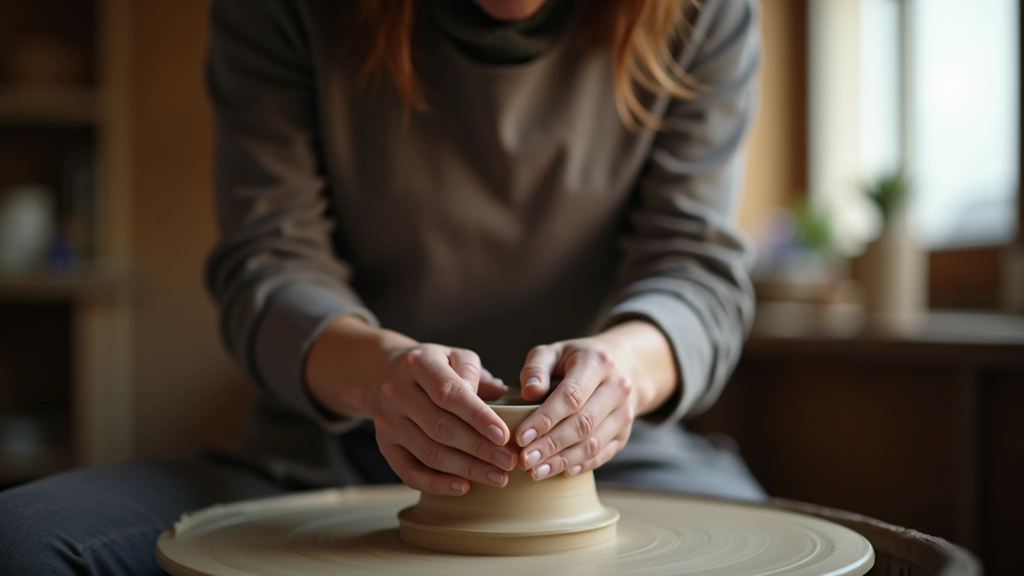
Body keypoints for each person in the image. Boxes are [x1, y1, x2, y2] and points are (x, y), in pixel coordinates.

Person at [0, 0, 764, 573]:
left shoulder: (702, 11)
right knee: (23, 542)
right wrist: (381, 378)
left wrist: (623, 372)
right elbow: (269, 262)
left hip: (604, 453)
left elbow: (694, 268)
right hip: (331, 449)